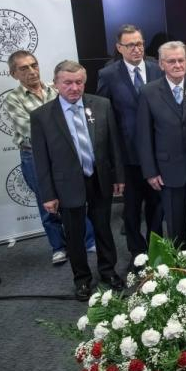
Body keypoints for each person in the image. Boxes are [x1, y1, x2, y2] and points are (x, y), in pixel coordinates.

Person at [30, 61, 124, 300]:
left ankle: (107, 271)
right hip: (66, 184)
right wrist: (48, 194)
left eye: (79, 82)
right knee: (75, 234)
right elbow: (41, 160)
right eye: (67, 82)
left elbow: (114, 145)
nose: (74, 87)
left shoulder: (101, 105)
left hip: (98, 178)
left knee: (103, 228)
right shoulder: (42, 116)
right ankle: (81, 278)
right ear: (56, 83)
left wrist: (118, 177)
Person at [5, 51, 96, 265]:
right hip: (34, 157)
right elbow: (31, 130)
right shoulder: (13, 99)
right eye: (24, 68)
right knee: (47, 202)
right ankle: (58, 246)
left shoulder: (55, 88)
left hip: (65, 154)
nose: (31, 71)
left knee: (75, 197)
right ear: (13, 74)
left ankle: (88, 239)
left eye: (33, 65)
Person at [136, 41, 186, 260]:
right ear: (161, 64)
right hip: (167, 169)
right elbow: (144, 135)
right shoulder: (148, 92)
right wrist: (150, 171)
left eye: (181, 60)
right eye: (172, 61)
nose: (178, 64)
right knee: (175, 221)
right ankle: (182, 262)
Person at [96, 25, 164, 263]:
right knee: (132, 210)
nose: (137, 49)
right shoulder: (108, 75)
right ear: (119, 48)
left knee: (157, 207)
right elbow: (104, 117)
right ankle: (138, 254)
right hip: (128, 156)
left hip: (157, 154)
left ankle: (158, 251)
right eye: (130, 45)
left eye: (140, 43)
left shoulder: (158, 70)